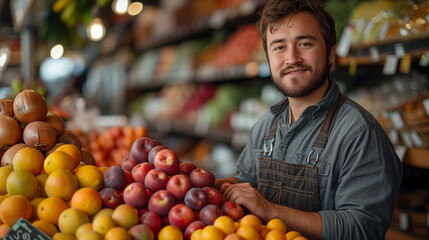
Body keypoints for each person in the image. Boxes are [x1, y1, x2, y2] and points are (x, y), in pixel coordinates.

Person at [215, 0, 403, 239]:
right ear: (269, 58)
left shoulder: (359, 133)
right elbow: (247, 181)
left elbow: (361, 228)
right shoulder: (266, 125)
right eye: (279, 47)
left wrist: (270, 210)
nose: (291, 58)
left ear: (330, 53)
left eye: (304, 43)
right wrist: (214, 187)